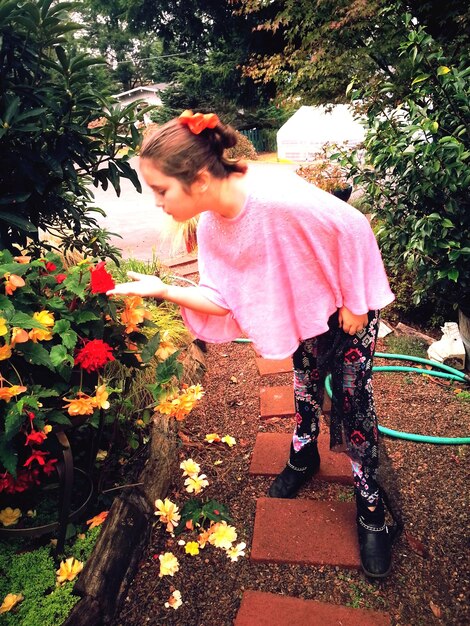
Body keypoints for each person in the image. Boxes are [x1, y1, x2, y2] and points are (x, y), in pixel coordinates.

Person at [107, 110, 396, 578]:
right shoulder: (211, 223)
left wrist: (357, 300)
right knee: (304, 386)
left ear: (199, 179)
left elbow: (354, 225)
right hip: (305, 310)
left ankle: (371, 509)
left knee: (351, 402)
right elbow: (220, 298)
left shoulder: (276, 197)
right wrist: (161, 289)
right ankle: (304, 454)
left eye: (161, 190)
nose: (156, 203)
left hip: (346, 308)